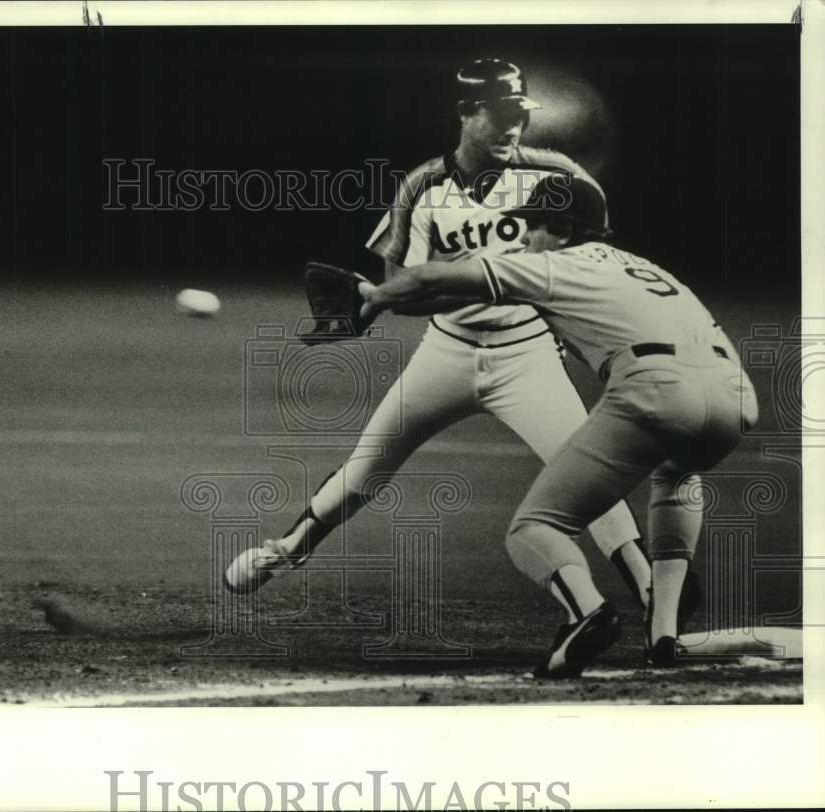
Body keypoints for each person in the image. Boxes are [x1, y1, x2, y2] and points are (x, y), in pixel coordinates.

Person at [226, 58, 663, 623]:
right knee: (367, 470)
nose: (513, 127)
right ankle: (285, 550)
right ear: (465, 112)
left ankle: (653, 592)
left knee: (582, 472)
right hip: (447, 354)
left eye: (520, 115)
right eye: (500, 114)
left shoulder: (560, 177)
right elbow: (400, 288)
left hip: (526, 354)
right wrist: (378, 299)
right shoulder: (423, 188)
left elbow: (588, 271)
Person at [356, 173, 759, 676]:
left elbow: (435, 278)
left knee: (533, 528)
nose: (524, 238)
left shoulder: (555, 265)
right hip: (734, 396)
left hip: (657, 388)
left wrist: (376, 294)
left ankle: (587, 612)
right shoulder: (644, 266)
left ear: (564, 230)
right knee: (677, 472)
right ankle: (664, 636)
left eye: (533, 226)